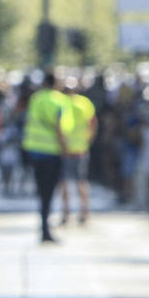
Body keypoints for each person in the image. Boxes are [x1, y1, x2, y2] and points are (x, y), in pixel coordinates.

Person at [21, 72, 72, 242]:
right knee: (49, 193)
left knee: (42, 192)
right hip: (52, 152)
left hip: (35, 151)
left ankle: (44, 225)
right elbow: (60, 127)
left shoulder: (36, 99)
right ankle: (45, 228)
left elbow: (29, 120)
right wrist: (65, 147)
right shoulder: (60, 100)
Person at [60, 80, 97, 226]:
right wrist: (88, 141)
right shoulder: (84, 103)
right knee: (80, 181)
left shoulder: (62, 103)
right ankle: (84, 212)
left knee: (64, 182)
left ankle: (66, 212)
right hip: (81, 148)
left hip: (65, 149)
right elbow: (93, 124)